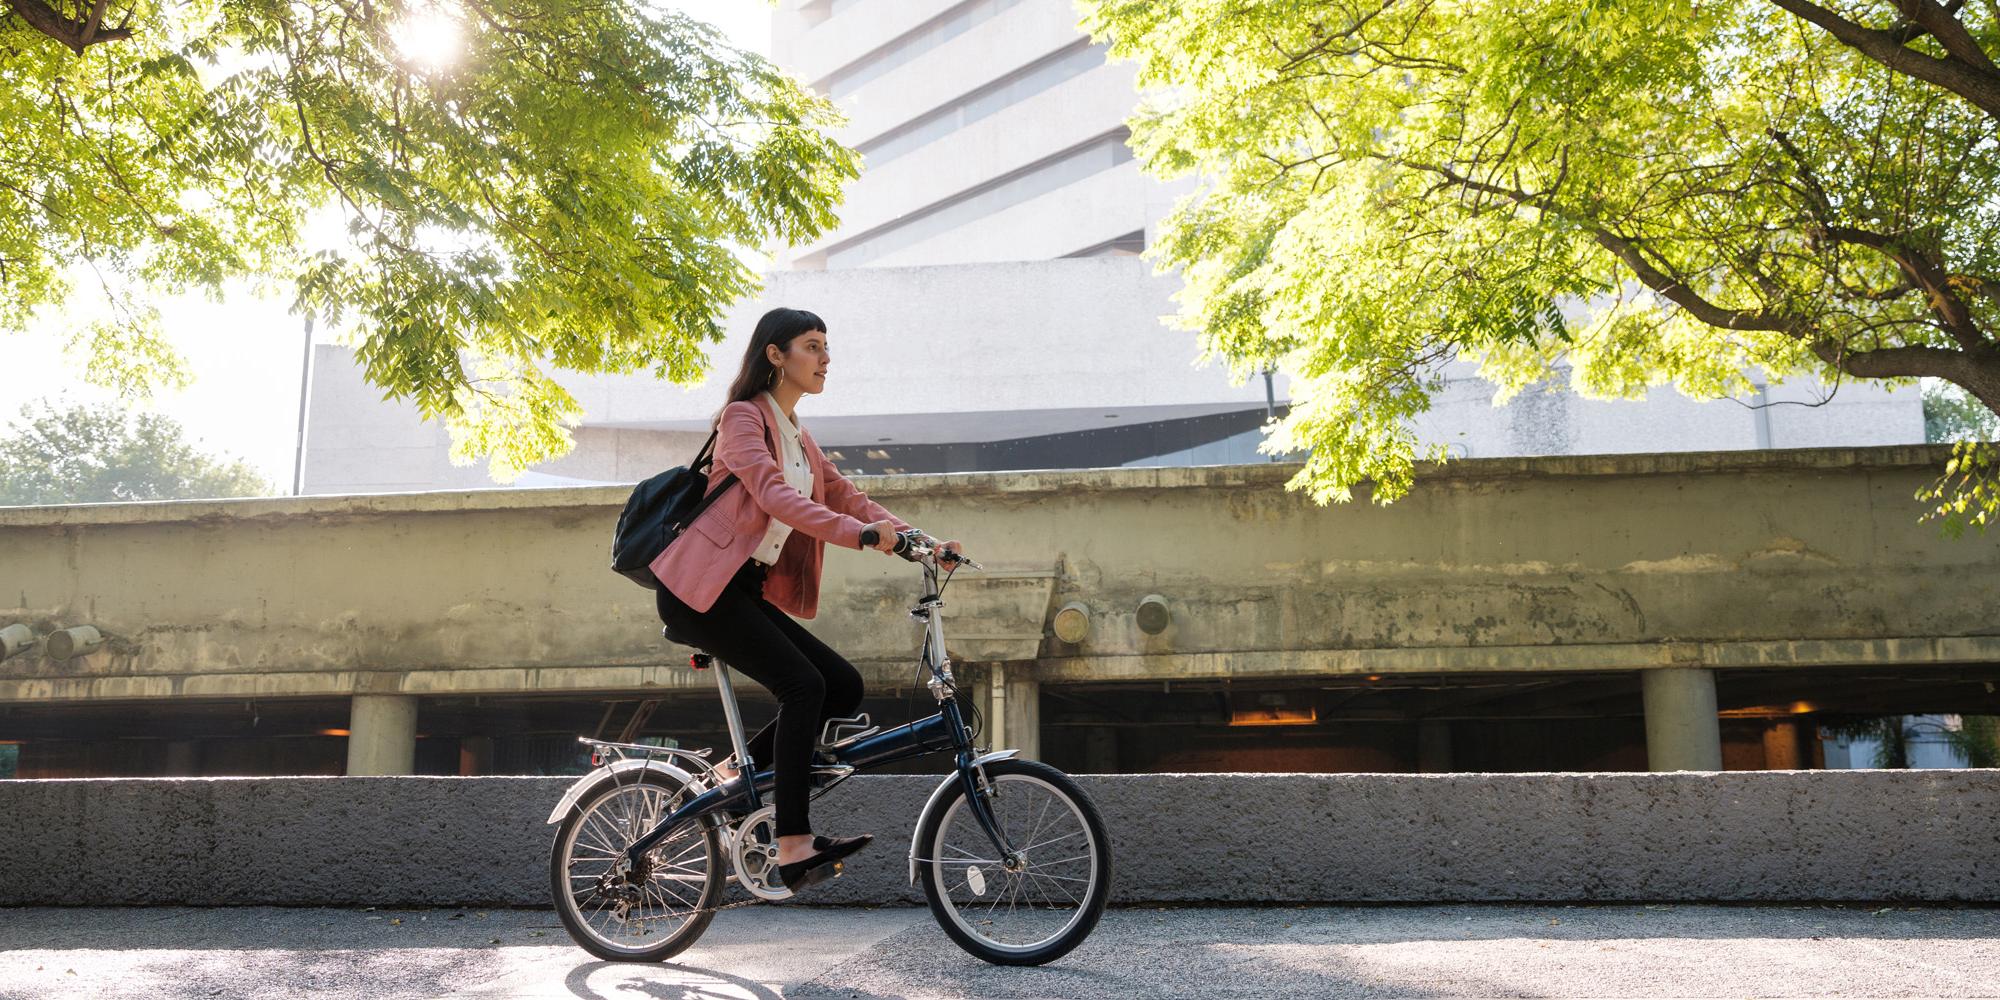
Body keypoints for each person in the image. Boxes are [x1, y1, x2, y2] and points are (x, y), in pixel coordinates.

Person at [647, 306, 962, 892]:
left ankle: (730, 778)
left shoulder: (799, 436)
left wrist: (922, 542)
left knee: (840, 686)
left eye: (826, 347)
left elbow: (848, 496)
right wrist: (858, 538)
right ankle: (793, 842)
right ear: (776, 354)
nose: (824, 358)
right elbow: (770, 494)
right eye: (812, 346)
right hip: (698, 590)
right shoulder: (743, 420)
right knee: (803, 686)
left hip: (739, 591)